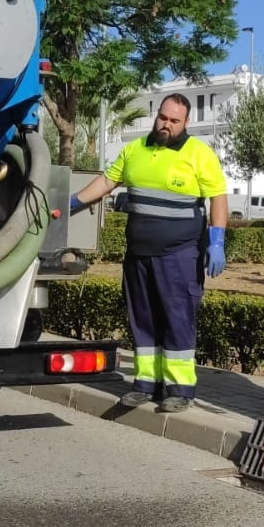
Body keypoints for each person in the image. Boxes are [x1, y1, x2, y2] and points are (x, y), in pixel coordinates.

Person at [68, 94, 228, 413]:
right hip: (138, 254)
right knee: (143, 318)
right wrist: (71, 203)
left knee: (177, 318)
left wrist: (217, 241)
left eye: (174, 120)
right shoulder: (134, 150)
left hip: (180, 254)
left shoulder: (199, 153)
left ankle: (180, 389)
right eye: (163, 117)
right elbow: (106, 182)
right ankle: (145, 383)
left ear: (186, 123)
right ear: (157, 116)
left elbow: (218, 197)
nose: (166, 124)